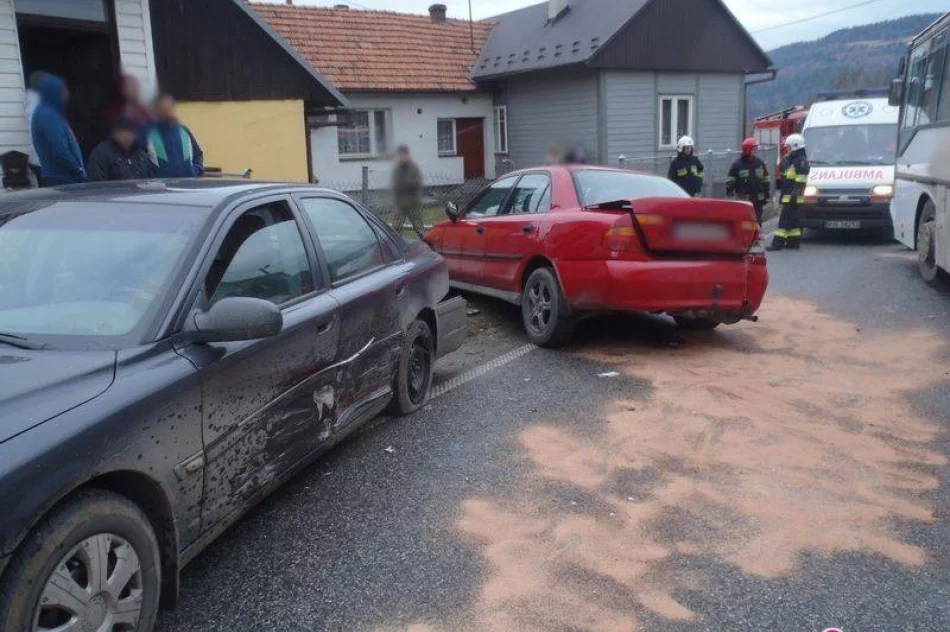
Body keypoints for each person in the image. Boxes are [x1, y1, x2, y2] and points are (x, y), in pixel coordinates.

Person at [31, 73, 86, 186]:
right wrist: (77, 169)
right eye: (63, 90)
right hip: (62, 179)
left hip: (62, 177)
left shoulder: (49, 112)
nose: (67, 94)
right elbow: (60, 150)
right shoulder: (48, 115)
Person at [143, 94, 204, 178]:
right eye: (163, 109)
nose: (167, 111)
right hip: (160, 189)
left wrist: (194, 170)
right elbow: (139, 161)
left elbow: (198, 154)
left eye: (169, 107)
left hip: (186, 187)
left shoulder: (184, 131)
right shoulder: (148, 134)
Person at [769, 133, 810, 251]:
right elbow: (783, 169)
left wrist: (795, 192)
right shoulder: (793, 159)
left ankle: (777, 244)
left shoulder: (800, 161)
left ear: (795, 146)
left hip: (793, 196)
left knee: (784, 220)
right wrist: (786, 158)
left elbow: (802, 178)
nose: (787, 149)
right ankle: (793, 242)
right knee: (793, 221)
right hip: (790, 195)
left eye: (788, 147)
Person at [88, 116, 156, 182]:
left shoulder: (141, 154)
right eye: (122, 132)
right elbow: (97, 185)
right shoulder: (101, 153)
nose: (127, 136)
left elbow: (150, 181)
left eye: (131, 132)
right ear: (114, 133)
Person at [726, 138, 770, 224]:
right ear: (747, 150)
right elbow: (730, 181)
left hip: (758, 200)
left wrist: (766, 195)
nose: (755, 151)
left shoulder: (760, 163)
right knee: (744, 221)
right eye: (754, 149)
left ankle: (756, 236)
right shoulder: (737, 165)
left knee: (757, 220)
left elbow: (766, 180)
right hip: (744, 200)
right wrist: (730, 194)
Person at [391, 145, 425, 240]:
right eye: (399, 155)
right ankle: (395, 246)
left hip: (413, 203)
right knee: (395, 227)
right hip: (401, 204)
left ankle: (427, 244)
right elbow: (395, 185)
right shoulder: (397, 169)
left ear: (407, 155)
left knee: (419, 228)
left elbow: (419, 183)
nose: (401, 158)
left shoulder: (414, 167)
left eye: (403, 155)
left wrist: (408, 184)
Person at [24, 71, 45, 185]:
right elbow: (33, 123)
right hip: (40, 157)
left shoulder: (33, 97)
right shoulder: (34, 98)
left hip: (37, 155)